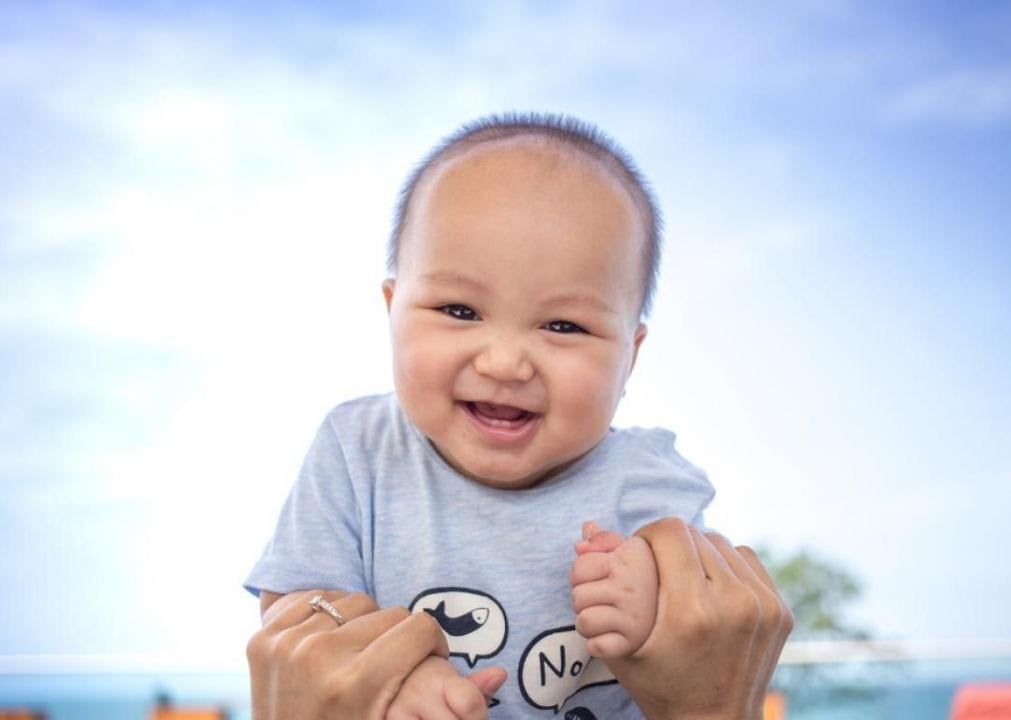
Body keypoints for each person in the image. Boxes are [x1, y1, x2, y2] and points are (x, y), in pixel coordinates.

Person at [244, 114, 793, 718]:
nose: (505, 362)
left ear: (629, 357)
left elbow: (701, 625)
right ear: (393, 309)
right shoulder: (358, 449)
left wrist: (649, 605)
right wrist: (392, 676)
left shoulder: (648, 478)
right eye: (458, 309)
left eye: (564, 326)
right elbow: (294, 614)